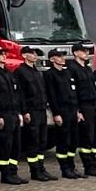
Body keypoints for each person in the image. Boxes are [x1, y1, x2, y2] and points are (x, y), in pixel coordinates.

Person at [0, 47, 27, 186]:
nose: (4, 56)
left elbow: (16, 94)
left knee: (15, 145)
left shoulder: (8, 72)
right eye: (0, 54)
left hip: (13, 113)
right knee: (4, 145)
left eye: (4, 53)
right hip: (3, 114)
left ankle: (13, 172)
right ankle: (5, 174)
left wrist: (19, 112)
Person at [15, 48, 56, 182]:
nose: (35, 56)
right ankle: (35, 171)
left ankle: (41, 168)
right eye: (32, 54)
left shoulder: (36, 71)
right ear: (24, 55)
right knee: (33, 141)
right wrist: (24, 111)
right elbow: (20, 93)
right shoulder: (20, 71)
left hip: (41, 109)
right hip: (31, 110)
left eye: (35, 54)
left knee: (42, 141)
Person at [68, 42, 96, 177]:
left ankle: (94, 164)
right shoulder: (72, 69)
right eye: (83, 51)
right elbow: (73, 92)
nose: (86, 53)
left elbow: (93, 88)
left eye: (86, 51)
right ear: (76, 53)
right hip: (83, 106)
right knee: (87, 136)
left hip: (93, 105)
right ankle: (88, 166)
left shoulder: (87, 68)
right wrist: (78, 111)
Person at [41, 49, 83, 179]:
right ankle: (65, 168)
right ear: (52, 59)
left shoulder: (67, 73)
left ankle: (71, 166)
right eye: (59, 56)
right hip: (62, 110)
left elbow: (73, 92)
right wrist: (56, 113)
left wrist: (77, 111)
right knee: (63, 140)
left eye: (63, 56)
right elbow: (52, 95)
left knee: (73, 140)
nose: (62, 58)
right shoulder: (49, 74)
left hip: (72, 110)